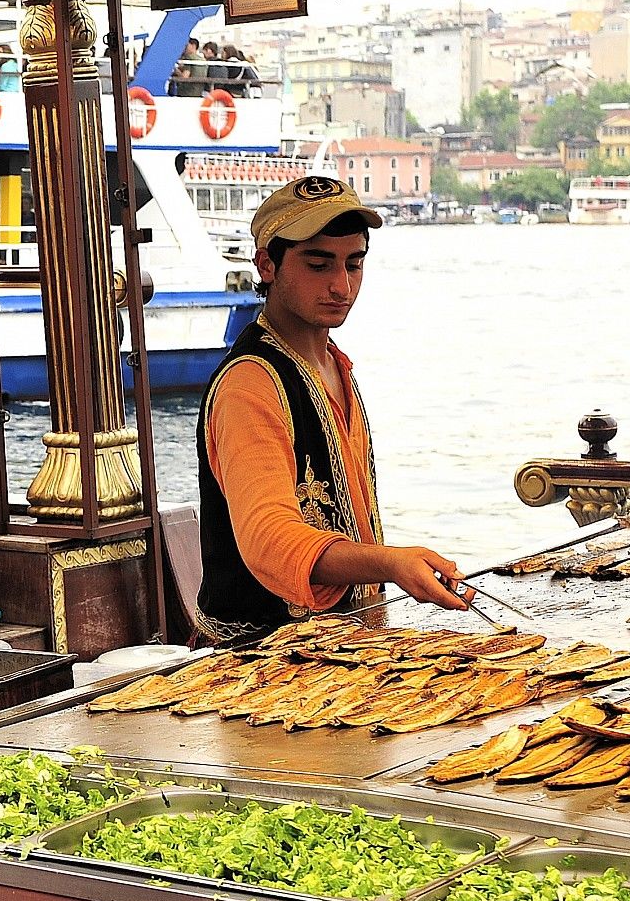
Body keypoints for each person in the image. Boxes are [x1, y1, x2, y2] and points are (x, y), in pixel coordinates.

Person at [195, 174, 469, 647]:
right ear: (267, 265)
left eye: (354, 265)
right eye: (318, 265)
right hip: (256, 658)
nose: (341, 286)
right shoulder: (250, 384)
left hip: (345, 645)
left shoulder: (332, 364)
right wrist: (388, 562)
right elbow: (270, 540)